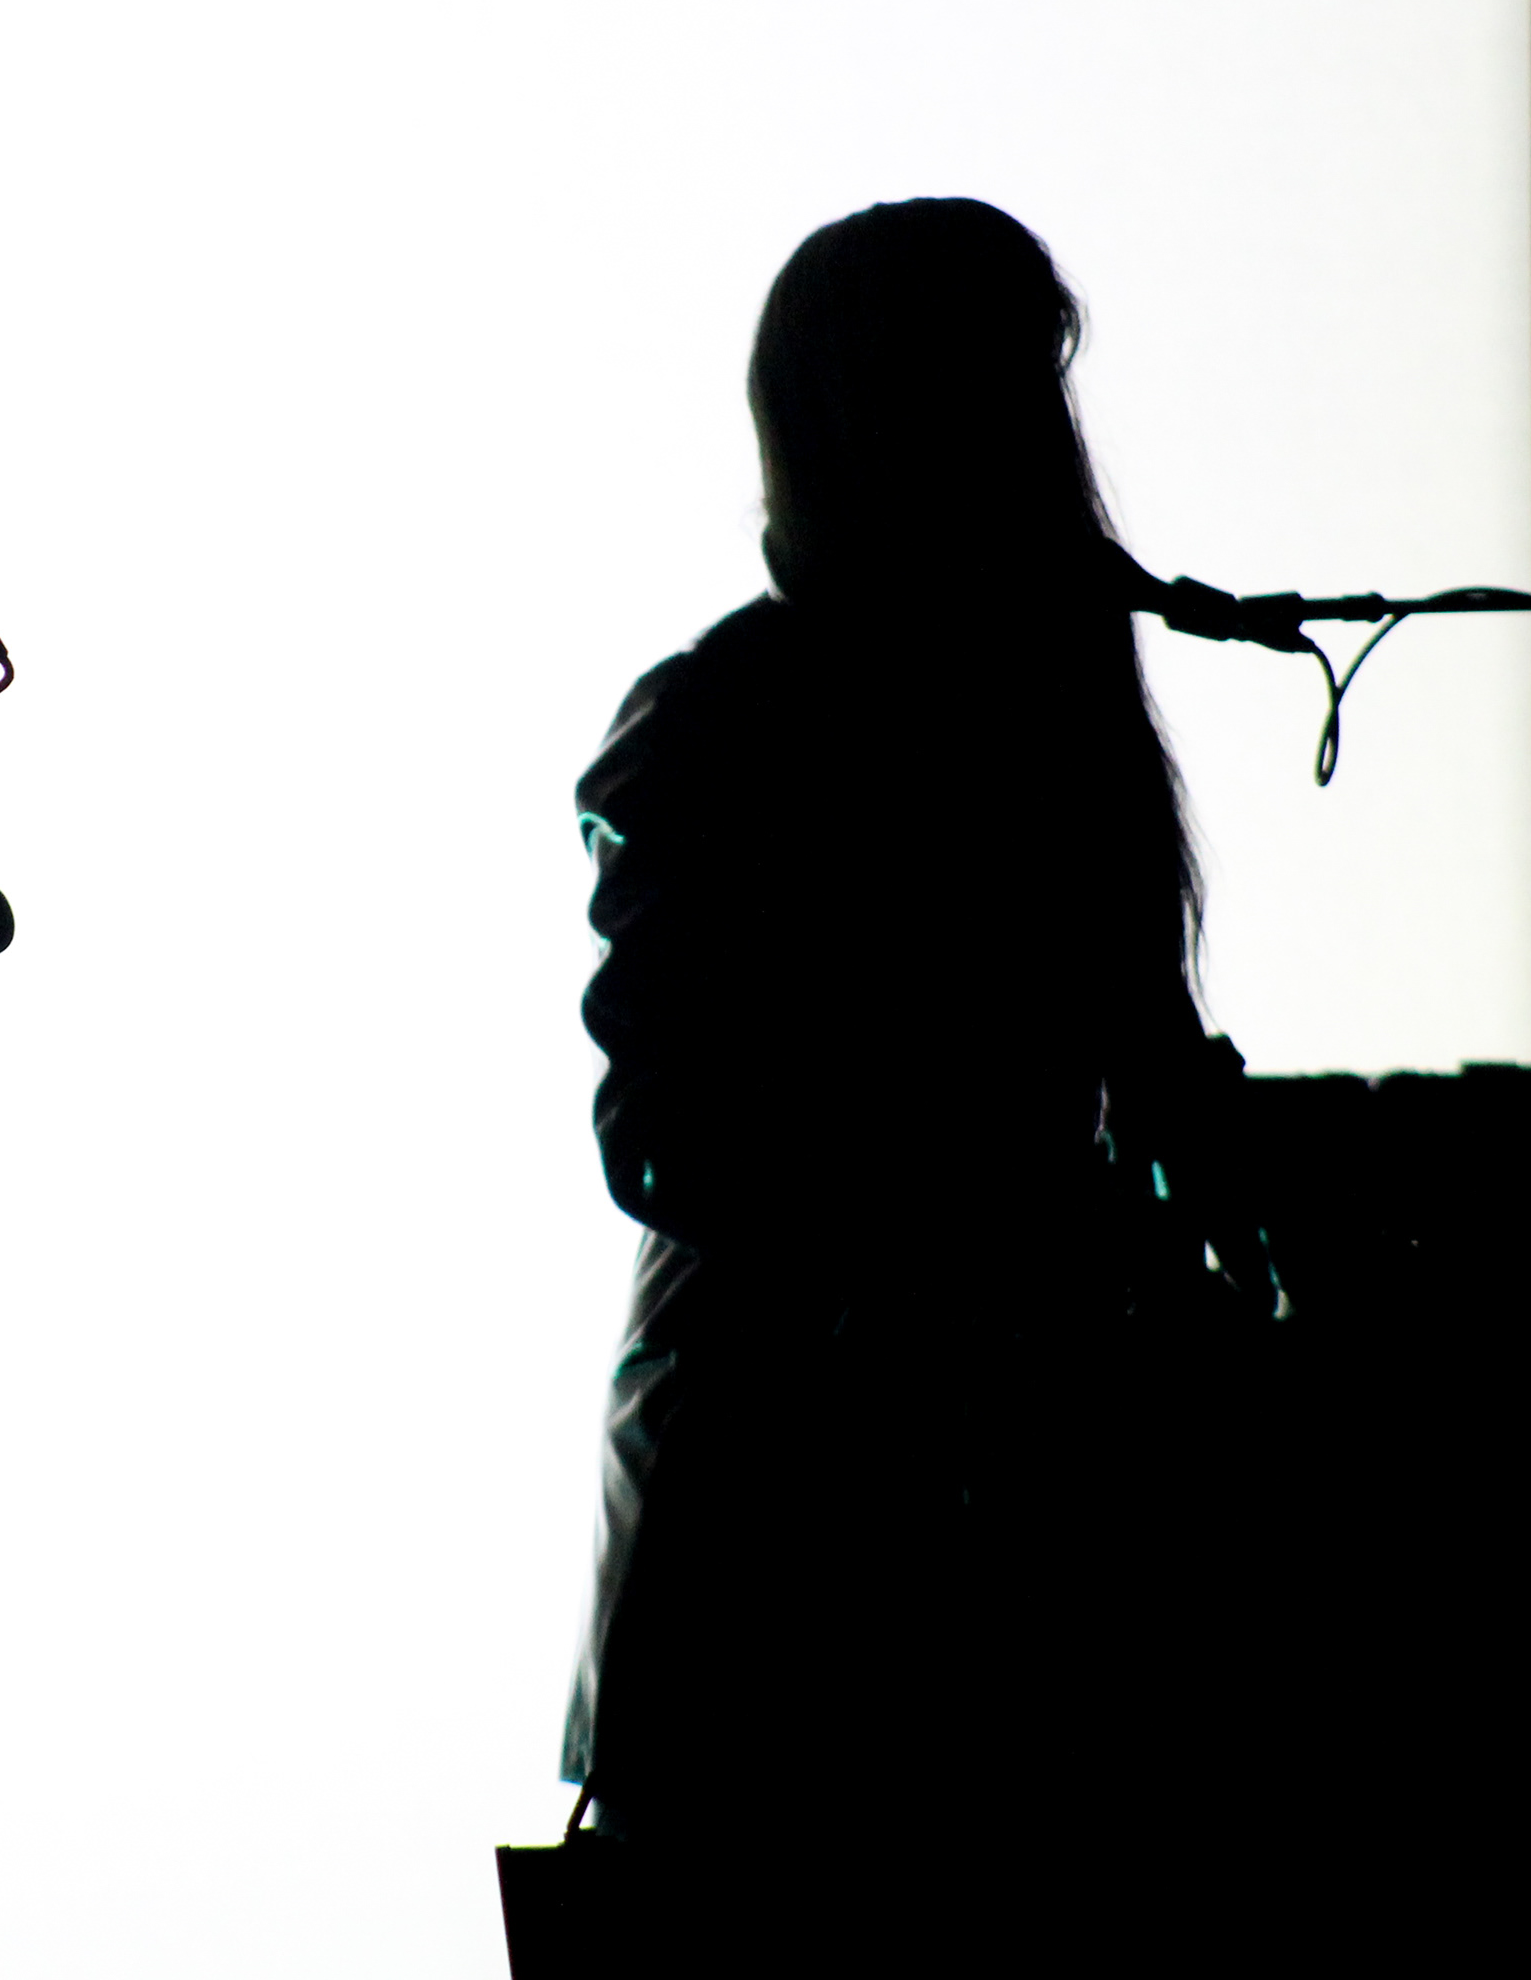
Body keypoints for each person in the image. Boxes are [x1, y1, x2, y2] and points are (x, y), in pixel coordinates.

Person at [556, 199, 1253, 1968]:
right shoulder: (722, 722)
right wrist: (977, 1274)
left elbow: (1152, 1090)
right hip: (770, 1591)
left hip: (1001, 1581)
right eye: (1005, 389)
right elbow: (677, 1139)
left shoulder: (1049, 723)